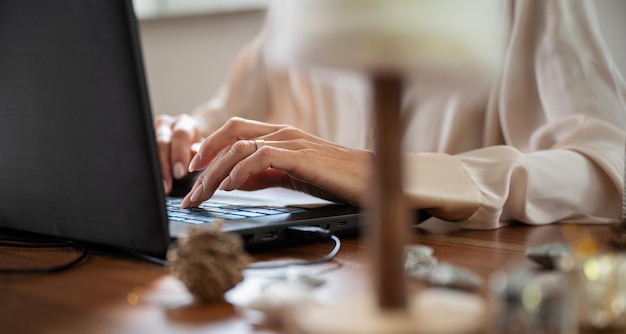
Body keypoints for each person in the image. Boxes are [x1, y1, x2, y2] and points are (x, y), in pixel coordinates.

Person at [155, 0, 626, 230]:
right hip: (322, 287)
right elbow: (220, 125)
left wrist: (406, 175)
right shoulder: (300, 12)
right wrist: (181, 142)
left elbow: (610, 164)